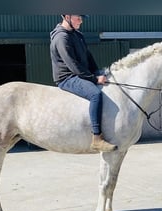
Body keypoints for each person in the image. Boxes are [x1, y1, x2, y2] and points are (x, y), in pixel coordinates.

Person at [50, 14, 117, 152]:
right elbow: (72, 65)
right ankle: (97, 138)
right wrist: (94, 79)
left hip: (81, 73)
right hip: (67, 77)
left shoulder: (77, 35)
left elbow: (88, 56)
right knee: (95, 94)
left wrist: (98, 72)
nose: (81, 21)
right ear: (67, 16)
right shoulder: (61, 38)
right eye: (78, 18)